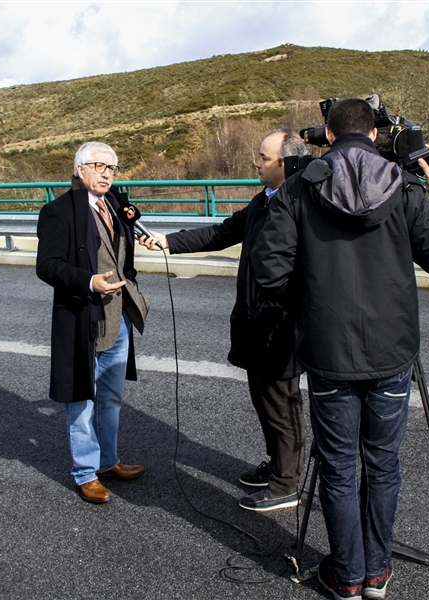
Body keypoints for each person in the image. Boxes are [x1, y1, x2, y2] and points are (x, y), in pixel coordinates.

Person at [251, 99, 429, 599]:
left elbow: (268, 272)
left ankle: (346, 577)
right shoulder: (405, 185)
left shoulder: (299, 188)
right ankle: (377, 573)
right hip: (392, 353)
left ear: (327, 133)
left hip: (328, 355)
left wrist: (311, 304)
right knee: (383, 463)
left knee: (339, 465)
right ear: (373, 134)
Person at [140, 129, 308, 512]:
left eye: (264, 158)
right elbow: (222, 233)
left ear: (286, 163)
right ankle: (276, 465)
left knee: (283, 403)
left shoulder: (300, 202)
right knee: (265, 401)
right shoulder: (263, 200)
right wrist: (170, 241)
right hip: (253, 320)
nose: (256, 163)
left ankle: (287, 482)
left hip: (282, 324)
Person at [36, 141, 149, 504]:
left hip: (118, 318)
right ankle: (85, 473)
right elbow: (47, 266)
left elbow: (125, 238)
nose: (106, 174)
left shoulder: (116, 203)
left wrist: (142, 236)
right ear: (80, 169)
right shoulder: (58, 211)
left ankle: (108, 460)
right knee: (82, 398)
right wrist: (88, 282)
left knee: (112, 397)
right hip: (84, 317)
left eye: (111, 168)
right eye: (98, 166)